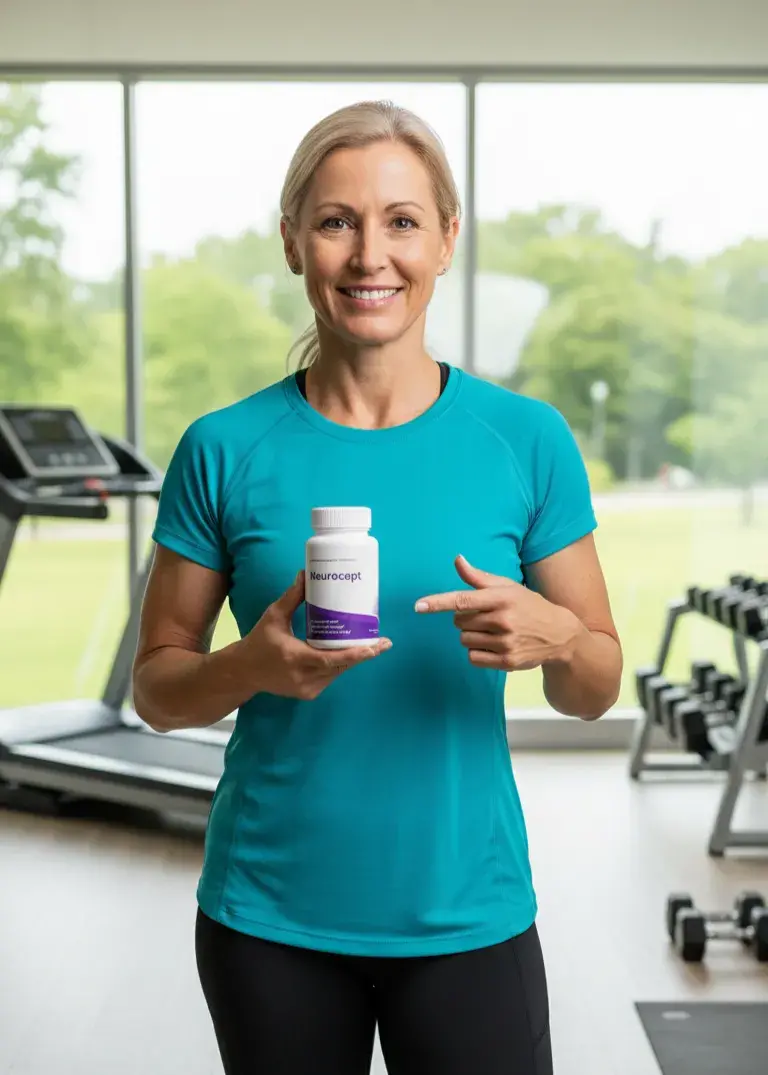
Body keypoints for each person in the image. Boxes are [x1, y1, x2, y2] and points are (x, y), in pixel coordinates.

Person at [132, 100, 622, 1075]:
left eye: (401, 221)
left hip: (467, 913)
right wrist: (249, 666)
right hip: (269, 916)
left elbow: (597, 684)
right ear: (292, 243)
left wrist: (556, 637)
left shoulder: (526, 440)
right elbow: (158, 688)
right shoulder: (223, 448)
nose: (369, 255)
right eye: (335, 221)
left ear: (445, 240)